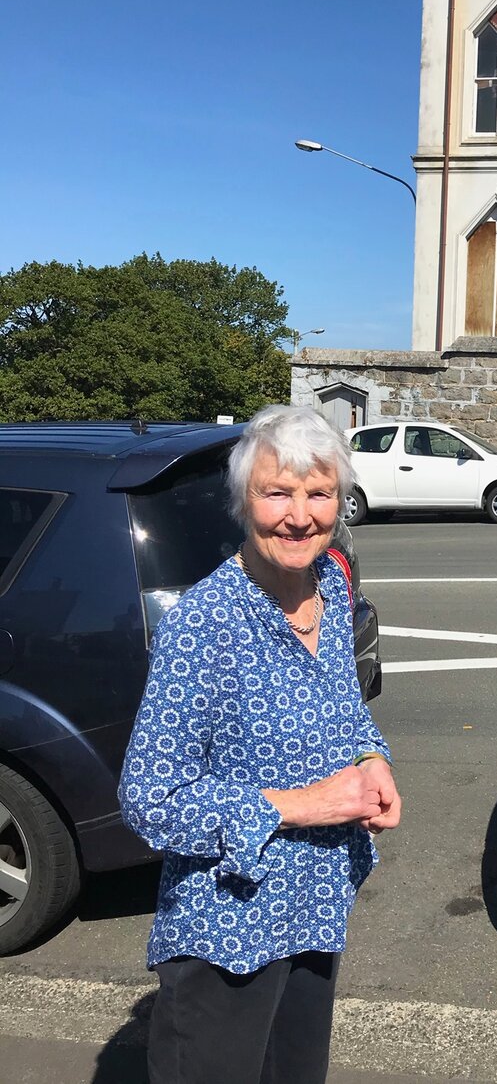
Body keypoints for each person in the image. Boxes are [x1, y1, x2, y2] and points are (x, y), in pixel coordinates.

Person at [118, 404, 401, 1084]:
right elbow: (149, 799)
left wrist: (372, 760)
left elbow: (345, 712)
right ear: (243, 501)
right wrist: (305, 804)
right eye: (277, 493)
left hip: (314, 909)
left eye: (319, 493)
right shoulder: (203, 624)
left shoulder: (327, 586)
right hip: (228, 931)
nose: (299, 516)